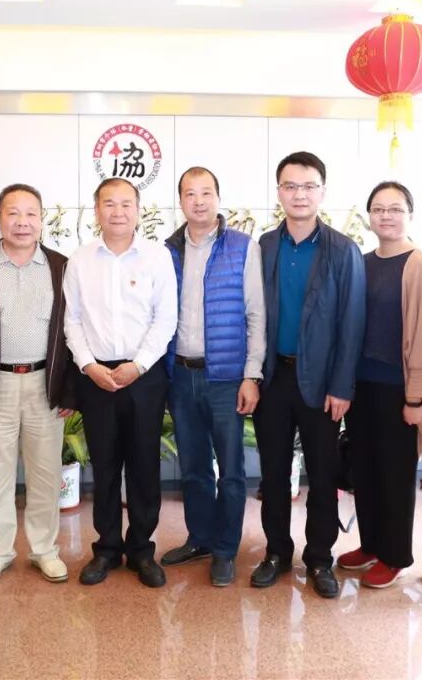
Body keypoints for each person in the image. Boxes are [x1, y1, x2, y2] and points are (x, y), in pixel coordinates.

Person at [251, 150, 366, 599]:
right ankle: (276, 552)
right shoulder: (264, 247)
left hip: (321, 384)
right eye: (290, 186)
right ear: (279, 191)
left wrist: (341, 386)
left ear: (322, 191)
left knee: (322, 475)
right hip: (273, 379)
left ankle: (320, 558)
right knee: (273, 474)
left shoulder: (343, 250)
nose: (299, 194)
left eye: (308, 186)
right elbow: (250, 315)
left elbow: (352, 324)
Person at [0, 183, 75, 587]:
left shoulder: (62, 266)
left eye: (30, 213)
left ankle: (45, 551)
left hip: (45, 384)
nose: (22, 222)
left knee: (45, 474)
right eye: (13, 213)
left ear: (42, 219)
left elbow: (76, 331)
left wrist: (70, 389)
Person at [63, 178, 178, 588]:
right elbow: (72, 321)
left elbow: (166, 318)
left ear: (138, 210)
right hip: (96, 377)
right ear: (96, 210)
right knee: (106, 465)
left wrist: (139, 365)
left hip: (144, 376)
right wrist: (88, 365)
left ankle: (142, 549)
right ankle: (107, 548)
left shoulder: (157, 257)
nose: (118, 212)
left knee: (144, 466)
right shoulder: (80, 260)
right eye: (109, 204)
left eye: (126, 204)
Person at [159, 166, 265, 587]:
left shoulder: (242, 247)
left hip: (226, 377)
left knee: (231, 470)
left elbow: (256, 315)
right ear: (180, 201)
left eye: (206, 192)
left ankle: (225, 550)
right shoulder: (167, 251)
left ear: (218, 198)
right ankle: (200, 538)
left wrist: (251, 375)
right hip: (181, 374)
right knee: (193, 467)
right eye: (190, 193)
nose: (198, 201)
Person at [337, 182, 422, 589]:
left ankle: (395, 554)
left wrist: (417, 399)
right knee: (365, 469)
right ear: (369, 216)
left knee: (395, 475)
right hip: (361, 386)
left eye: (395, 208)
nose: (386, 216)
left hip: (399, 390)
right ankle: (370, 545)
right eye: (379, 209)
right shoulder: (362, 262)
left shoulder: (420, 265)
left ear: (410, 215)